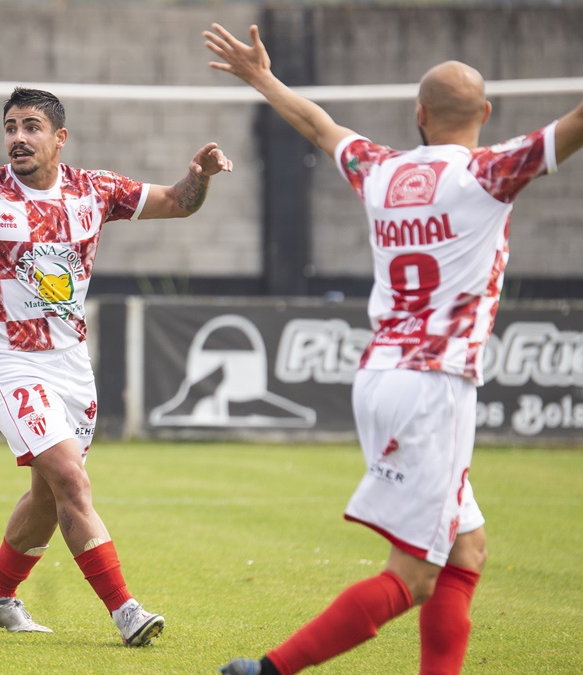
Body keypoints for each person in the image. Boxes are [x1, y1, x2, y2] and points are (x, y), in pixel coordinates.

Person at [205, 23, 583, 675]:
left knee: (467, 550)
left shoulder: (381, 170)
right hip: (436, 386)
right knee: (413, 577)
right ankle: (268, 671)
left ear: (419, 113)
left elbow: (320, 126)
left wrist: (260, 77)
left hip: (382, 373)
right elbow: (572, 127)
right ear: (485, 115)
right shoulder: (490, 174)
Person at [0, 87, 233, 647]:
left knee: (46, 495)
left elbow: (179, 202)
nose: (18, 137)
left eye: (31, 126)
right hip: (8, 359)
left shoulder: (96, 189)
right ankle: (126, 610)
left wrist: (200, 175)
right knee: (70, 479)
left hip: (70, 365)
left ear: (59, 137)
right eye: (10, 126)